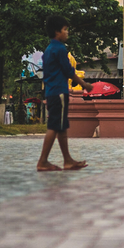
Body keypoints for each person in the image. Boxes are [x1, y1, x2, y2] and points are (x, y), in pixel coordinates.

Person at [37, 14, 93, 172]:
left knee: (60, 127)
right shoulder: (60, 49)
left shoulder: (48, 50)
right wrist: (84, 85)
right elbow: (69, 71)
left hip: (51, 91)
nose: (67, 32)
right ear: (57, 32)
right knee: (54, 127)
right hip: (59, 92)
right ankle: (43, 161)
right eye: (65, 29)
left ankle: (68, 160)